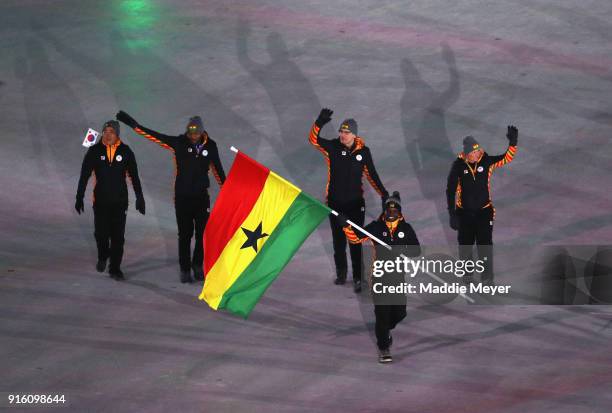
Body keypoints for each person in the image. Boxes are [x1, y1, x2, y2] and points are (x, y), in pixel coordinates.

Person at [116, 111, 226, 283]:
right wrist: (134, 125)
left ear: (202, 132)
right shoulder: (179, 143)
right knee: (184, 235)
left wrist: (228, 191)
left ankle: (198, 266)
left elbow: (218, 171)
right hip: (182, 198)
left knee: (202, 235)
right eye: (190, 132)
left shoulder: (211, 146)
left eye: (196, 133)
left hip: (201, 198)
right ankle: (184, 269)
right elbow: (155, 136)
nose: (193, 136)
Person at [309, 108, 388, 292]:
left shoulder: (364, 152)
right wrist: (319, 122)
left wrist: (383, 193)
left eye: (347, 132)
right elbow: (313, 140)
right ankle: (341, 273)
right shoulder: (332, 148)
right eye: (341, 132)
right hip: (335, 205)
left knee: (355, 242)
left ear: (355, 134)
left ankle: (358, 278)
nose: (343, 135)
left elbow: (372, 175)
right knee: (338, 242)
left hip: (355, 205)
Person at [342, 191, 421, 363]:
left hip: (397, 277)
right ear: (385, 211)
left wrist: (400, 251)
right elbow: (356, 239)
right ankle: (384, 347)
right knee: (382, 315)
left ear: (399, 212)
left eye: (395, 211)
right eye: (389, 210)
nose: (391, 214)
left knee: (400, 313)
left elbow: (416, 250)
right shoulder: (376, 227)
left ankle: (385, 330)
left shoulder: (406, 229)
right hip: (380, 277)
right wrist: (346, 226)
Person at [446, 126, 518, 285]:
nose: (478, 154)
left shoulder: (486, 161)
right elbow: (450, 191)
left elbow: (506, 158)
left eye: (479, 151)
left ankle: (487, 279)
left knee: (485, 246)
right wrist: (452, 214)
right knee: (465, 246)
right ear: (467, 154)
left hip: (484, 213)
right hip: (464, 214)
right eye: (474, 152)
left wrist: (513, 143)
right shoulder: (458, 167)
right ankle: (467, 278)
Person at [75, 120, 145, 280]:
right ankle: (102, 255)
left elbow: (134, 176)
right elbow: (84, 175)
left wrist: (139, 197)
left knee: (118, 237)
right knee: (101, 234)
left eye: (111, 132)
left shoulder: (126, 151)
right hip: (100, 201)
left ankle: (115, 268)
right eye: (105, 131)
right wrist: (79, 196)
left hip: (120, 203)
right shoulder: (94, 151)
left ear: (117, 134)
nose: (108, 134)